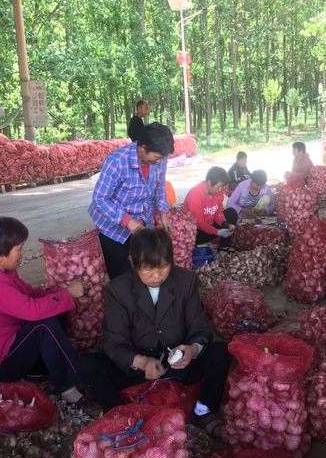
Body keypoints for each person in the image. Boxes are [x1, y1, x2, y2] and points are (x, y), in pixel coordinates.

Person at [78, 228, 231, 437]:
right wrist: (142, 362)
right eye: (148, 269)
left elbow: (200, 328)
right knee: (89, 364)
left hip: (178, 362)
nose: (157, 276)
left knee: (222, 351)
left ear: (172, 261)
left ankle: (203, 410)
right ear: (133, 262)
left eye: (164, 266)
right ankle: (119, 416)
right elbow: (114, 341)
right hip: (138, 369)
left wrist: (191, 350)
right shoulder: (118, 289)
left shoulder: (186, 282)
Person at [0, 216, 89, 406]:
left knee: (54, 304)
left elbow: (31, 294)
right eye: (19, 249)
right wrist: (67, 294)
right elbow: (32, 311)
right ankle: (69, 387)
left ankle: (39, 368)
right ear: (0, 254)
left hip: (5, 342)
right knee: (44, 324)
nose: (23, 253)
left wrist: (60, 293)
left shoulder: (0, 270)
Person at [89, 121, 174, 279]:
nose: (159, 162)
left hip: (142, 221)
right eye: (156, 158)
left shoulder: (159, 159)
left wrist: (162, 211)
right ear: (142, 148)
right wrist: (127, 221)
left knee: (143, 269)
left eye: (162, 158)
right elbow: (99, 199)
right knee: (122, 275)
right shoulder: (117, 162)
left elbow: (160, 184)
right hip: (113, 229)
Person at [183, 166, 238, 245]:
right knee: (191, 233)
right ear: (208, 181)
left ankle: (223, 247)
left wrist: (225, 224)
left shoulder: (219, 192)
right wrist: (217, 232)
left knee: (232, 213)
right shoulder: (195, 194)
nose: (220, 190)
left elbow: (218, 213)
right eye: (218, 186)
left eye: (222, 186)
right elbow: (199, 222)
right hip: (196, 230)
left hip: (210, 226)